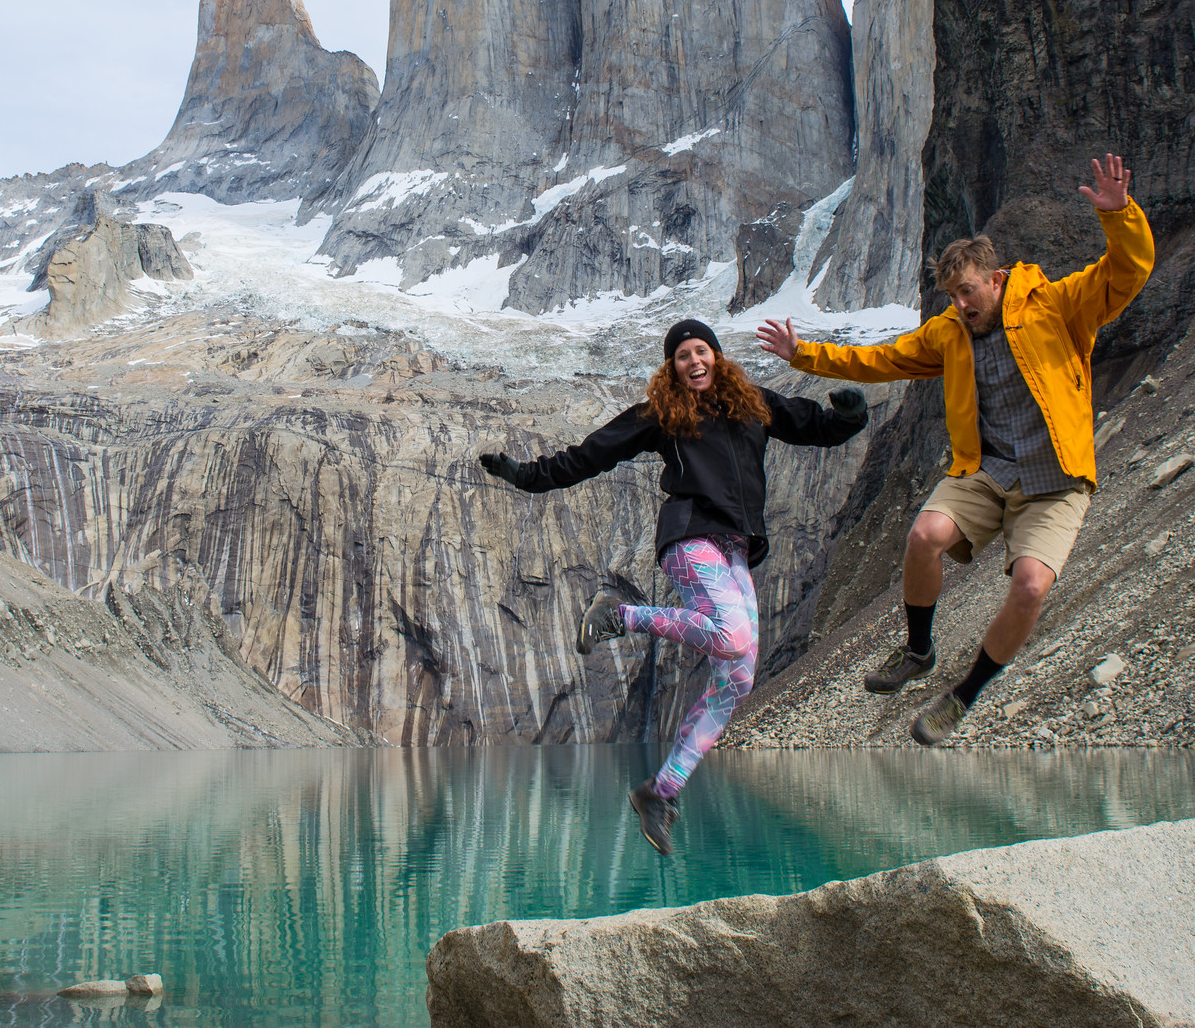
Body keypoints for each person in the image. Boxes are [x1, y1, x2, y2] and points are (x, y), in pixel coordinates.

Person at [755, 154, 1153, 746]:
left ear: (995, 281)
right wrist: (804, 355)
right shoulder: (949, 333)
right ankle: (918, 648)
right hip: (988, 473)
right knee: (923, 537)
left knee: (1030, 588)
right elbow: (882, 359)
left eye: (967, 292)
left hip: (1057, 480)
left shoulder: (1058, 305)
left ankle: (962, 697)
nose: (961, 306)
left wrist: (1120, 216)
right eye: (951, 297)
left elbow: (1125, 274)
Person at [478, 319, 868, 855]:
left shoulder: (753, 402)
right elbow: (593, 454)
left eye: (700, 350)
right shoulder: (661, 415)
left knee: (739, 676)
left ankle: (661, 792)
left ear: (717, 356)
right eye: (682, 355)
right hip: (689, 538)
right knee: (731, 637)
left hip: (734, 549)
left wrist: (850, 416)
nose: (693, 361)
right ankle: (620, 616)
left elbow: (815, 426)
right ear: (672, 368)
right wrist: (526, 475)